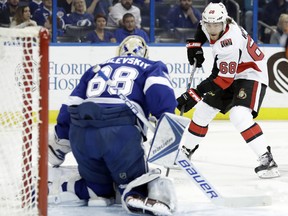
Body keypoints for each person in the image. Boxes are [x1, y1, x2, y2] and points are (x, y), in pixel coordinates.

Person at [48, 35, 178, 215]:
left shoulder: (96, 69)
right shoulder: (151, 66)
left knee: (99, 190)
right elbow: (163, 100)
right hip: (120, 134)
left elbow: (69, 108)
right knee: (132, 185)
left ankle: (63, 186)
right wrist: (168, 132)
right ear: (145, 53)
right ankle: (135, 193)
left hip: (82, 134)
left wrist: (60, 143)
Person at [177, 2, 280, 179]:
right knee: (202, 112)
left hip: (250, 74)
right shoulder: (211, 23)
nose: (212, 29)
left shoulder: (229, 42)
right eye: (209, 24)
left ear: (224, 22)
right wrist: (195, 45)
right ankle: (186, 152)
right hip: (232, 73)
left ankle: (267, 160)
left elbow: (222, 80)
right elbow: (201, 28)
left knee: (239, 115)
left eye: (216, 25)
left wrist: (194, 93)